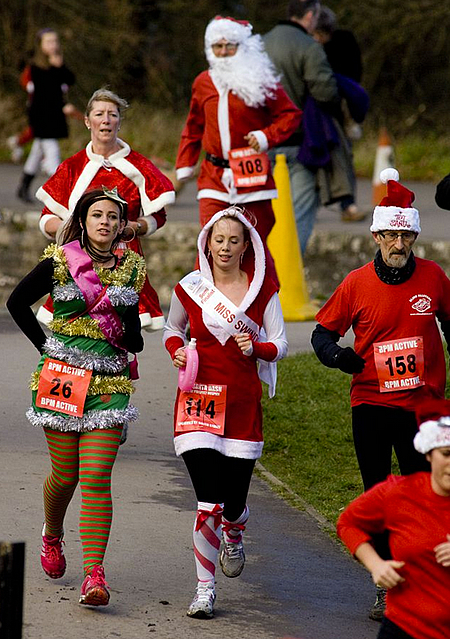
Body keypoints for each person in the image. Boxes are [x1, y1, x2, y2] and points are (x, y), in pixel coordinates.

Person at [311, 168, 450, 620]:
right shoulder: (356, 283)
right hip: (370, 403)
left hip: (422, 408)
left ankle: (423, 581)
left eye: (405, 235)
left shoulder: (432, 277)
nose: (398, 243)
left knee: (423, 495)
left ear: (414, 238)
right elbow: (321, 335)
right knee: (379, 494)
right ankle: (386, 585)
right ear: (376, 235)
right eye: (390, 234)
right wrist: (339, 357)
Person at [6, 187, 145, 606]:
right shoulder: (60, 261)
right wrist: (46, 348)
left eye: (113, 217)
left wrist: (123, 321)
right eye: (97, 215)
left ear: (122, 226)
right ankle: (52, 533)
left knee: (97, 477)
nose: (105, 222)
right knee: (66, 476)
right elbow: (16, 303)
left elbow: (135, 339)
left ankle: (94, 576)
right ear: (82, 221)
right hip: (61, 380)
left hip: (110, 386)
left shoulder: (133, 268)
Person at [163, 206, 288, 618]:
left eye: (234, 240)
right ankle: (204, 589)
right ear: (207, 243)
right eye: (218, 240)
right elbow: (171, 329)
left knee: (232, 501)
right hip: (199, 399)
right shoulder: (191, 287)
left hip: (241, 403)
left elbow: (281, 344)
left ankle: (235, 529)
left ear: (247, 246)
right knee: (207, 501)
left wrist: (259, 348)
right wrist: (176, 351)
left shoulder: (262, 291)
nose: (225, 247)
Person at [36, 87, 176, 332]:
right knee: (76, 332)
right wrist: (72, 230)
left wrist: (136, 227)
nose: (106, 120)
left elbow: (158, 216)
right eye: (100, 114)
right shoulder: (72, 167)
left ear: (119, 123)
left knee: (122, 335)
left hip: (123, 263)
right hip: (78, 263)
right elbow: (47, 217)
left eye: (113, 114)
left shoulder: (140, 165)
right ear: (88, 121)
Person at [175, 15, 302, 283]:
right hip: (213, 175)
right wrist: (185, 164)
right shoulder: (202, 82)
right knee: (210, 241)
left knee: (254, 242)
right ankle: (203, 312)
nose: (223, 53)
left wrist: (266, 136)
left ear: (241, 47)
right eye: (216, 47)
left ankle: (264, 307)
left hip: (251, 174)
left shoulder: (260, 78)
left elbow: (290, 115)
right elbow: (193, 124)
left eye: (229, 46)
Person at [337, 411, 450, 639]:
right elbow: (348, 523)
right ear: (428, 455)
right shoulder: (400, 494)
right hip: (403, 627)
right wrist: (376, 564)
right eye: (446, 454)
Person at [264, 1, 362, 255]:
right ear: (309, 16)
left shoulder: (259, 44)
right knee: (301, 212)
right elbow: (326, 92)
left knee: (265, 213)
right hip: (299, 145)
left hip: (262, 143)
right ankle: (288, 277)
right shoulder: (308, 46)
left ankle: (263, 274)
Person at [313, 5, 367, 222]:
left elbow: (354, 75)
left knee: (342, 156)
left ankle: (347, 204)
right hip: (317, 111)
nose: (318, 39)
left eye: (321, 35)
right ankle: (315, 205)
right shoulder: (309, 47)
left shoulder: (341, 43)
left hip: (337, 110)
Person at [16, 28, 75, 203]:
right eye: (49, 42)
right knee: (52, 153)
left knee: (36, 153)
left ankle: (24, 186)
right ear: (41, 45)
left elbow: (70, 80)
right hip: (42, 118)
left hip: (54, 117)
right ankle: (61, 192)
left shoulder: (57, 65)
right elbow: (44, 95)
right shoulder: (35, 68)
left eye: (55, 41)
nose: (53, 45)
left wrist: (60, 67)